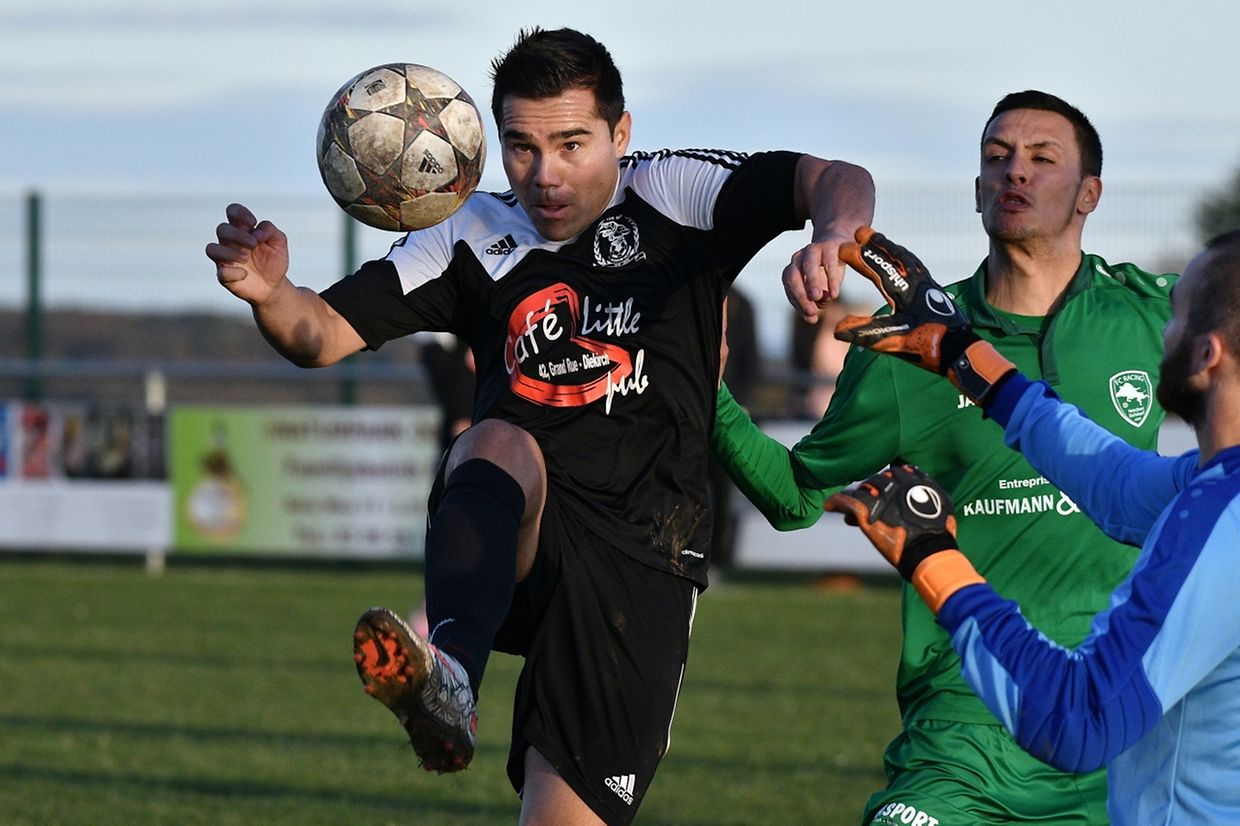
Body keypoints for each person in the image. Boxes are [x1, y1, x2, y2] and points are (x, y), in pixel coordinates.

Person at [205, 27, 874, 825]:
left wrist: (836, 235)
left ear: (620, 135)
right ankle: (450, 675)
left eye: (572, 144)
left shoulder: (677, 195)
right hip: (513, 540)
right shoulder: (466, 233)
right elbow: (320, 335)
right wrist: (271, 292)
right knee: (493, 443)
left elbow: (836, 178)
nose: (545, 175)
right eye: (522, 147)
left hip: (643, 559)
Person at [711, 90, 1175, 824]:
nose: (1013, 173)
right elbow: (797, 497)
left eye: (1041, 159)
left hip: (1122, 726)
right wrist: (710, 396)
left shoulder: (1153, 317)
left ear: (1090, 193)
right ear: (977, 190)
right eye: (996, 159)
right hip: (964, 729)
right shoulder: (909, 349)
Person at [826, 227, 1240, 824]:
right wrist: (961, 355)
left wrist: (932, 557)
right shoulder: (1212, 491)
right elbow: (1115, 482)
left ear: (1206, 355)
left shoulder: (1216, 516)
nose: (1163, 333)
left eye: (1176, 316)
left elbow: (1081, 721)